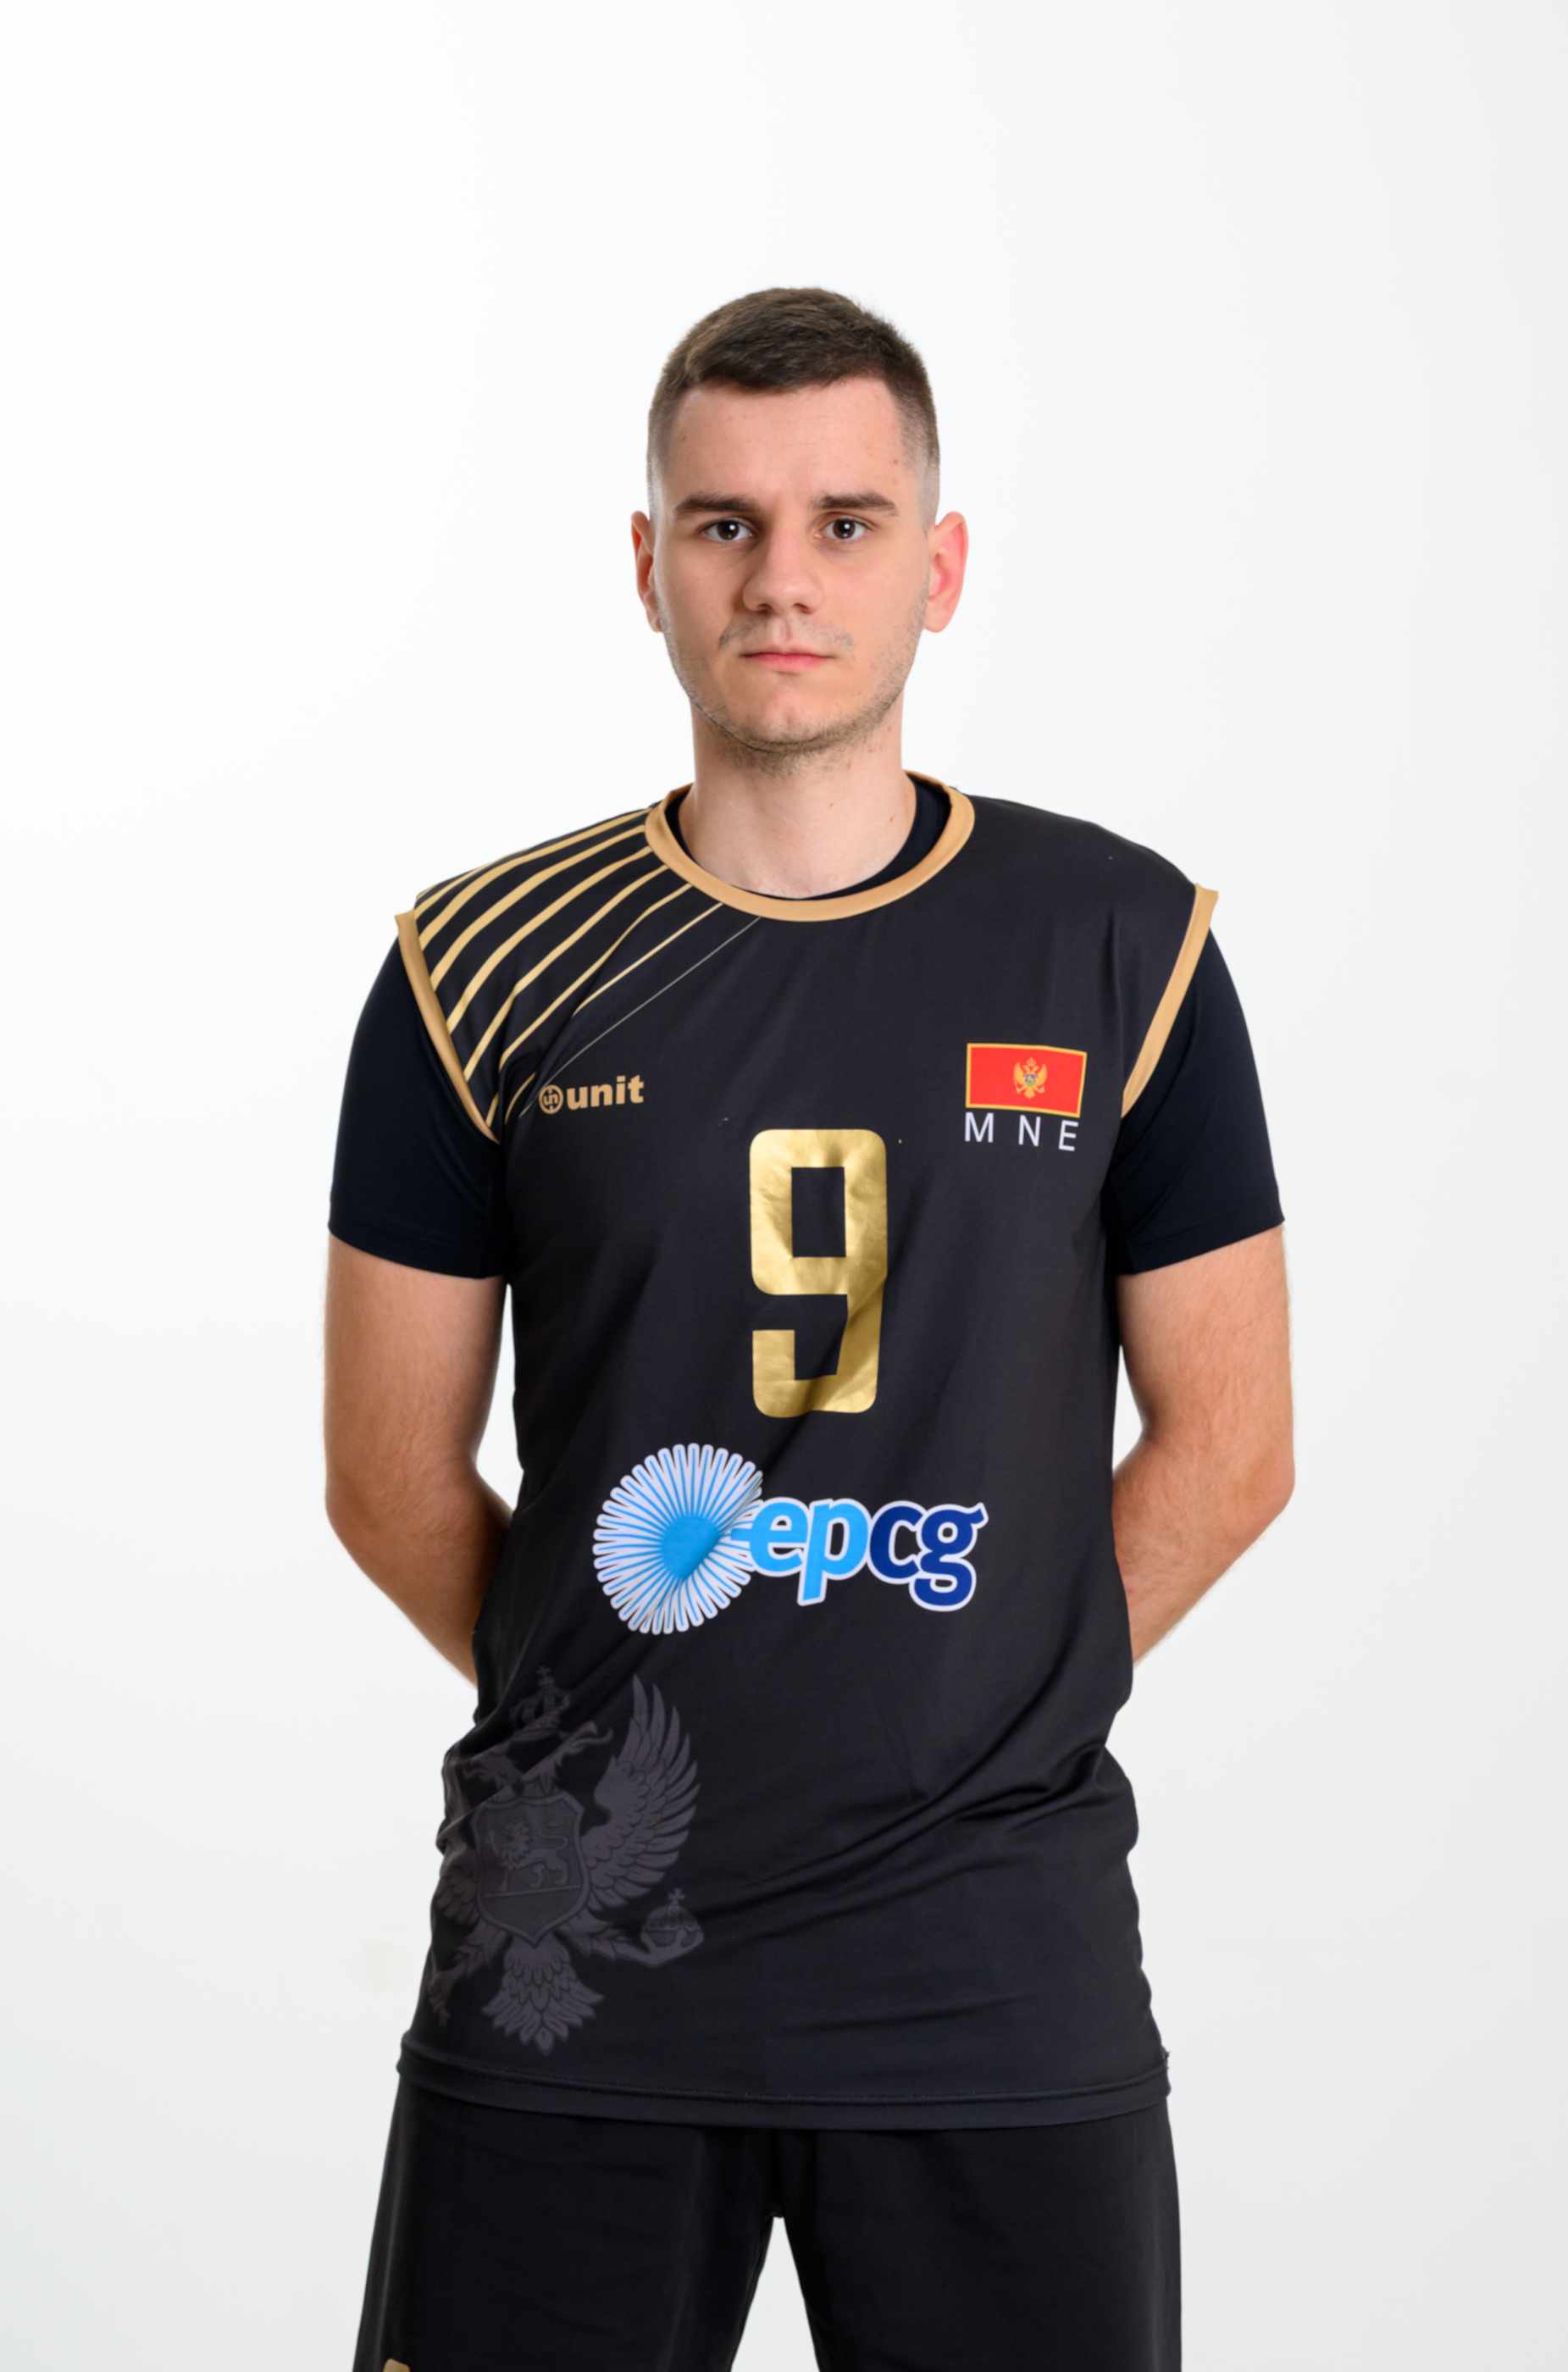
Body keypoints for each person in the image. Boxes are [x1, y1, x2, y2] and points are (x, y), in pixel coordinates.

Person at [325, 285, 1293, 2372]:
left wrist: (972, 1701)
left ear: (938, 566)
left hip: (990, 1968)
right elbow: (389, 1476)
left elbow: (1234, 1445)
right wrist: (614, 1713)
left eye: (846, 522)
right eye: (725, 523)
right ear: (648, 563)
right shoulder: (475, 964)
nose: (783, 576)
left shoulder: (1124, 943)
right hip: (578, 1966)